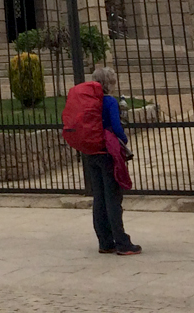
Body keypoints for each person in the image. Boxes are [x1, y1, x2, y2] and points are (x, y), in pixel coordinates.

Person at [84, 65, 139, 256]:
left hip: (91, 151)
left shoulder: (89, 101)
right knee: (113, 197)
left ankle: (105, 241)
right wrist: (123, 141)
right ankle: (122, 242)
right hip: (108, 152)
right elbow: (116, 127)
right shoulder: (109, 102)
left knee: (99, 197)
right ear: (109, 83)